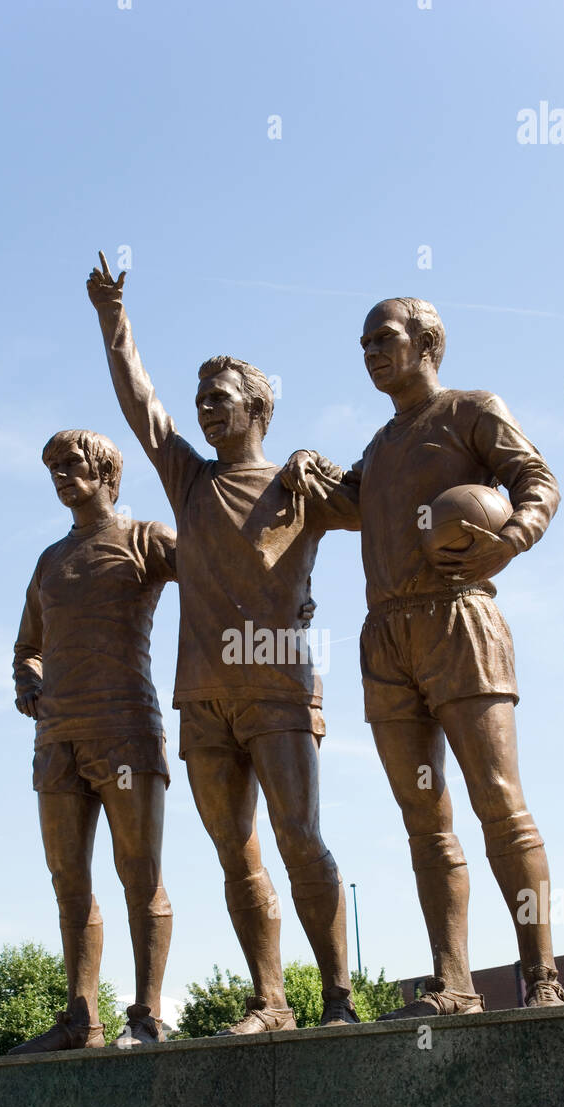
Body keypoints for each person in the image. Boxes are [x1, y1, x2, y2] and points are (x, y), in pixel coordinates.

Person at [87, 254, 361, 1033]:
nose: (205, 409)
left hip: (277, 686)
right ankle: (271, 1001)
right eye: (201, 399)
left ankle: (336, 997)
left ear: (257, 409)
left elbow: (385, 502)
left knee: (300, 839)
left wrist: (330, 468)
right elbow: (141, 403)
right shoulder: (190, 480)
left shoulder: (300, 486)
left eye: (221, 398)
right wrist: (114, 319)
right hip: (202, 697)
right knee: (235, 852)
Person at [281, 297, 564, 1014]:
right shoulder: (379, 448)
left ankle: (543, 978)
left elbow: (539, 481)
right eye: (363, 343)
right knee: (422, 817)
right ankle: (455, 982)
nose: (372, 351)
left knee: (499, 802)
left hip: (460, 622)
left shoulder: (473, 409)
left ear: (428, 341)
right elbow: (343, 504)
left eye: (385, 337)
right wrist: (305, 470)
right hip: (386, 636)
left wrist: (515, 535)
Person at [11, 428, 176, 1051]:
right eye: (51, 466)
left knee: (140, 872)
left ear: (104, 470)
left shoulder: (146, 538)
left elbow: (221, 580)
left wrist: (283, 600)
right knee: (68, 880)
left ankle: (148, 1014)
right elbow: (27, 646)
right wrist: (28, 679)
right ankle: (82, 1019)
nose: (58, 474)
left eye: (70, 463)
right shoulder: (50, 561)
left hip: (127, 728)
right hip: (57, 739)